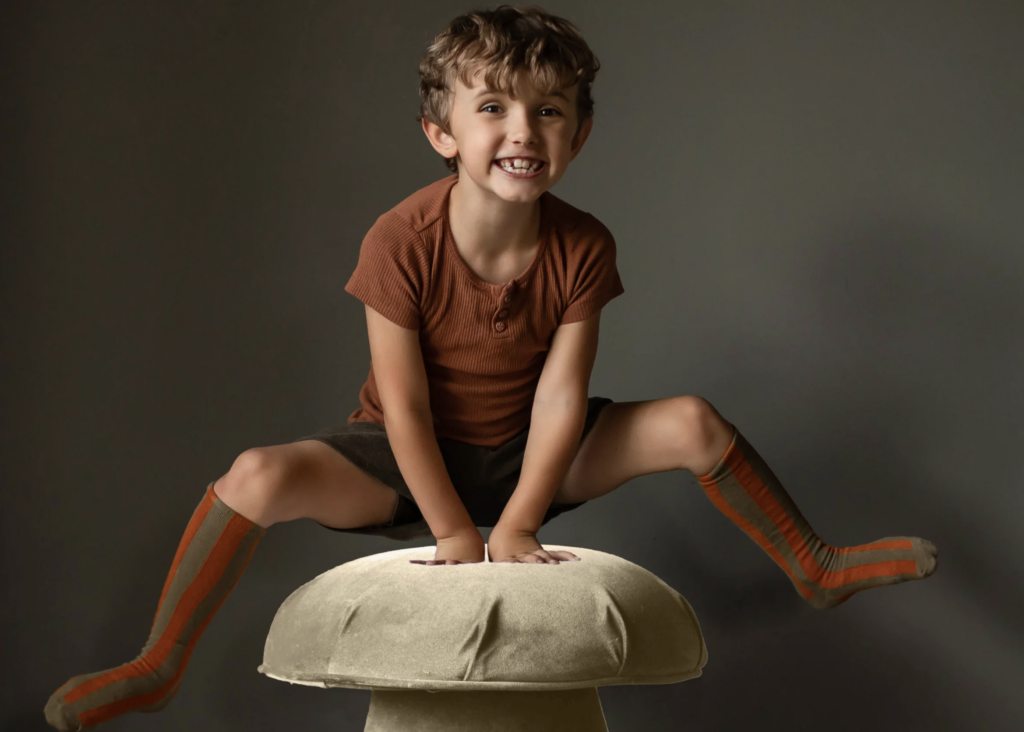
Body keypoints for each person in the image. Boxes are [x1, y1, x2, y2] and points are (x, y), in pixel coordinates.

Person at [44, 5, 938, 730]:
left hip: (531, 454)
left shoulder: (583, 244)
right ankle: (158, 663)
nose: (523, 131)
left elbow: (560, 395)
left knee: (692, 421)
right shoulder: (401, 239)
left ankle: (812, 567)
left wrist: (514, 522)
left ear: (579, 135)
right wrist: (451, 529)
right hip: (398, 458)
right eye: (494, 108)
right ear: (440, 132)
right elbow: (401, 403)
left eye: (549, 110)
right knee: (257, 474)